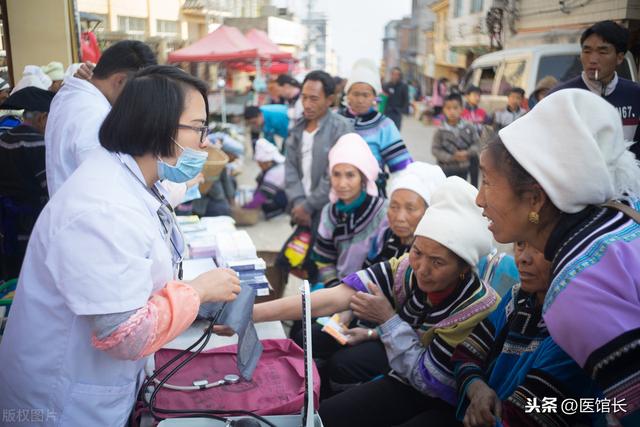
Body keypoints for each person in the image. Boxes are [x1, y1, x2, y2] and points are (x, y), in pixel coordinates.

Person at [0, 65, 241, 426]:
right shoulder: (102, 208)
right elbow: (125, 334)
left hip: (100, 388)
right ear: (157, 124)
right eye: (199, 128)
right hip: (62, 405)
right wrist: (199, 291)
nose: (206, 142)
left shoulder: (133, 179)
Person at [255, 177, 499, 427]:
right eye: (417, 252)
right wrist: (251, 314)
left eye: (437, 262)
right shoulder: (405, 268)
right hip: (404, 378)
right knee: (325, 417)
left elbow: (429, 380)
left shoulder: (473, 307)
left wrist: (387, 320)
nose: (422, 269)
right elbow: (335, 297)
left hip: (446, 400)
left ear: (463, 268)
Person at [476, 88, 640, 425]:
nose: (479, 199)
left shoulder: (574, 290)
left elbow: (630, 407)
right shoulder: (618, 218)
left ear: (535, 199)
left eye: (488, 182)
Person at [453, 242, 602, 427]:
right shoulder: (517, 297)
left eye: (539, 247)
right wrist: (477, 390)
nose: (522, 257)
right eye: (521, 244)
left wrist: (482, 412)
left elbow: (523, 418)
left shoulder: (576, 328)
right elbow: (467, 354)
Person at [45, 40, 157, 195]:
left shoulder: (74, 95)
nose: (137, 100)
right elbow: (108, 186)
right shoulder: (95, 117)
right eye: (138, 91)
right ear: (120, 80)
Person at [550, 20, 640, 158]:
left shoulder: (635, 94)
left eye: (602, 52)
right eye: (587, 51)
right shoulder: (561, 96)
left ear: (620, 58)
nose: (592, 59)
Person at [311, 132, 387, 288]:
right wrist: (335, 287)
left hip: (375, 292)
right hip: (337, 287)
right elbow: (324, 260)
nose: (342, 183)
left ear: (363, 177)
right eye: (336, 175)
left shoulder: (383, 212)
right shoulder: (329, 213)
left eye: (350, 175)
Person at [285, 70, 353, 231]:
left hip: (331, 213)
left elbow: (334, 174)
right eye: (304, 97)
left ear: (329, 100)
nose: (307, 104)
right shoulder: (297, 129)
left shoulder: (342, 128)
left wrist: (308, 206)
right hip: (301, 210)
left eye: (314, 99)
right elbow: (290, 169)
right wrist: (299, 202)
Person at [0, 87, 55, 279]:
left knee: (13, 280)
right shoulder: (39, 144)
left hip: (8, 228)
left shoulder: (4, 139)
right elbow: (50, 189)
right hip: (32, 226)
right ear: (42, 118)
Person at [339, 58, 413, 195]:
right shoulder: (336, 120)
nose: (360, 100)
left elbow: (402, 168)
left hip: (373, 195)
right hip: (337, 193)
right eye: (355, 94)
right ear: (347, 95)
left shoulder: (384, 125)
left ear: (374, 97)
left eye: (366, 95)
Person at [365, 161, 445, 266]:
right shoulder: (384, 236)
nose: (400, 218)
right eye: (394, 207)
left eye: (410, 208)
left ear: (428, 211)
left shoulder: (435, 252)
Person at [431, 93, 480, 185]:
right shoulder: (440, 130)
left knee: (461, 190)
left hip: (464, 167)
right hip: (445, 168)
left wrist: (467, 153)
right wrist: (452, 157)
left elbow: (477, 143)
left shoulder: (468, 127)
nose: (452, 111)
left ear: (461, 109)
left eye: (455, 108)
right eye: (448, 108)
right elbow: (435, 150)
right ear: (443, 110)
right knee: (447, 191)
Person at [242, 138, 288, 219]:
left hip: (286, 196)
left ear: (267, 161)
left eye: (260, 164)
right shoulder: (272, 165)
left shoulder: (277, 171)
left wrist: (246, 207)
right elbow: (259, 185)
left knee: (266, 204)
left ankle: (281, 208)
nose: (259, 166)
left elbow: (263, 195)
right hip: (282, 191)